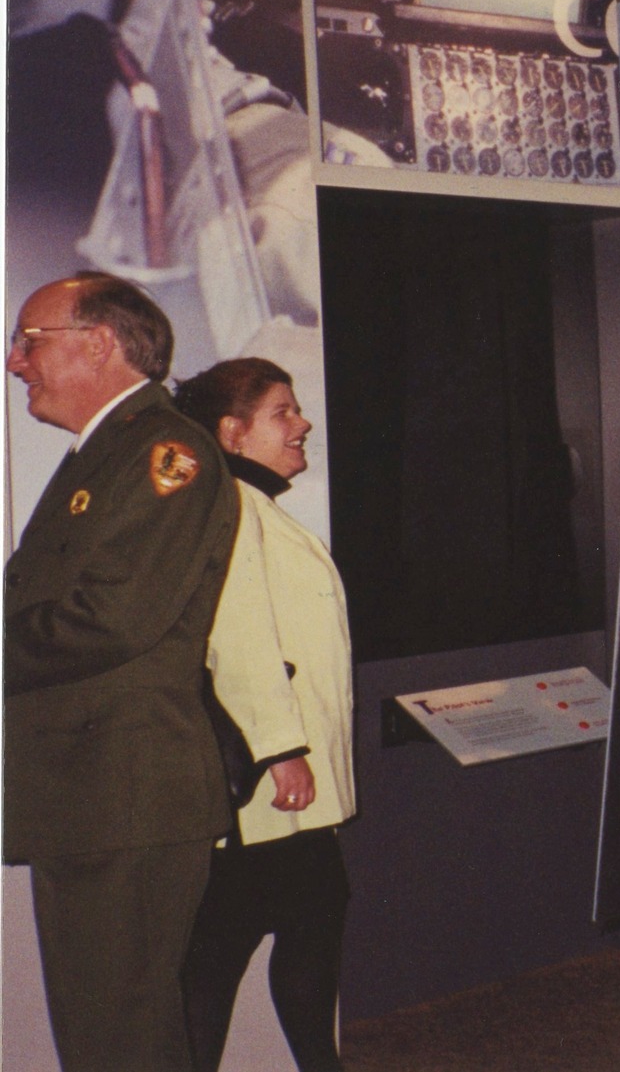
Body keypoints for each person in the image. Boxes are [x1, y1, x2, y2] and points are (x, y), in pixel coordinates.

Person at [4, 271, 239, 1070]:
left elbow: (112, 617)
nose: (13, 361)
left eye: (29, 339)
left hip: (124, 794)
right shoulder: (101, 454)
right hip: (88, 793)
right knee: (102, 1033)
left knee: (122, 1037)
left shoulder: (162, 453)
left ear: (99, 343)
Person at [174, 359, 356, 1072]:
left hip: (282, 789)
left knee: (294, 930)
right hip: (268, 788)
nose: (302, 423)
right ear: (233, 430)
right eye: (284, 412)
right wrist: (283, 749)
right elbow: (239, 638)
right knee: (221, 958)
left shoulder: (255, 508)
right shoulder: (232, 509)